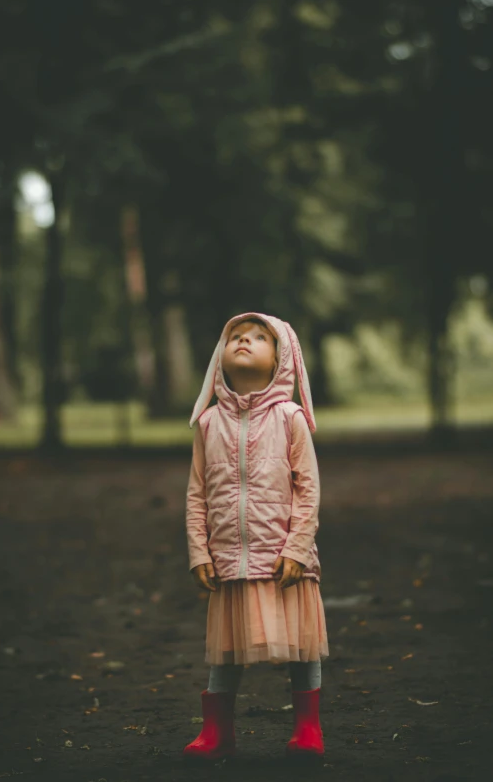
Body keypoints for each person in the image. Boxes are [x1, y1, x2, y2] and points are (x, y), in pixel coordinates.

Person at [183, 312, 329, 761]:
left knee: (302, 645)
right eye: (235, 337)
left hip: (285, 559)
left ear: (281, 358)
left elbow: (309, 488)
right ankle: (217, 733)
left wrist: (298, 548)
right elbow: (196, 493)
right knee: (224, 652)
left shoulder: (291, 418)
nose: (244, 341)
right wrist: (198, 551)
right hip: (229, 557)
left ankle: (308, 730)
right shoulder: (208, 424)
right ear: (220, 357)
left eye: (258, 337)